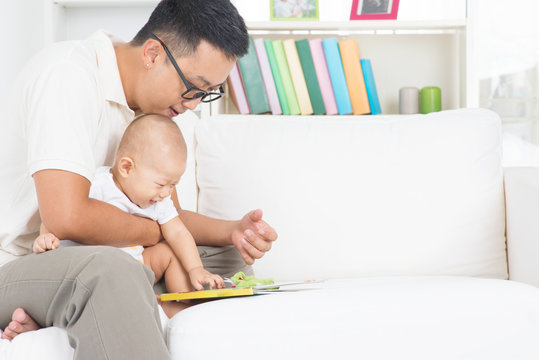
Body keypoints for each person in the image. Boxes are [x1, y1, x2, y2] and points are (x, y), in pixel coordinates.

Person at [0, 0, 277, 358]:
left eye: (207, 93)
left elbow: (167, 213)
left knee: (228, 259)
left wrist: (233, 232)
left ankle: (79, 308)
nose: (193, 104)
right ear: (152, 54)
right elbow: (66, 218)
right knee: (112, 270)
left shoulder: (151, 108)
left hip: (96, 255)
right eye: (194, 86)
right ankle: (88, 300)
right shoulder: (68, 75)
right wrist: (159, 234)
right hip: (24, 262)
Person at [33, 114, 225, 318]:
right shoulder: (98, 185)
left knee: (170, 250)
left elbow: (178, 233)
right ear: (126, 168)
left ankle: (187, 300)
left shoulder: (159, 201)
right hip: (95, 273)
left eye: (173, 185)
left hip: (137, 269)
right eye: (161, 184)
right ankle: (155, 305)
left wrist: (196, 269)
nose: (166, 193)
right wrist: (45, 236)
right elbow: (57, 215)